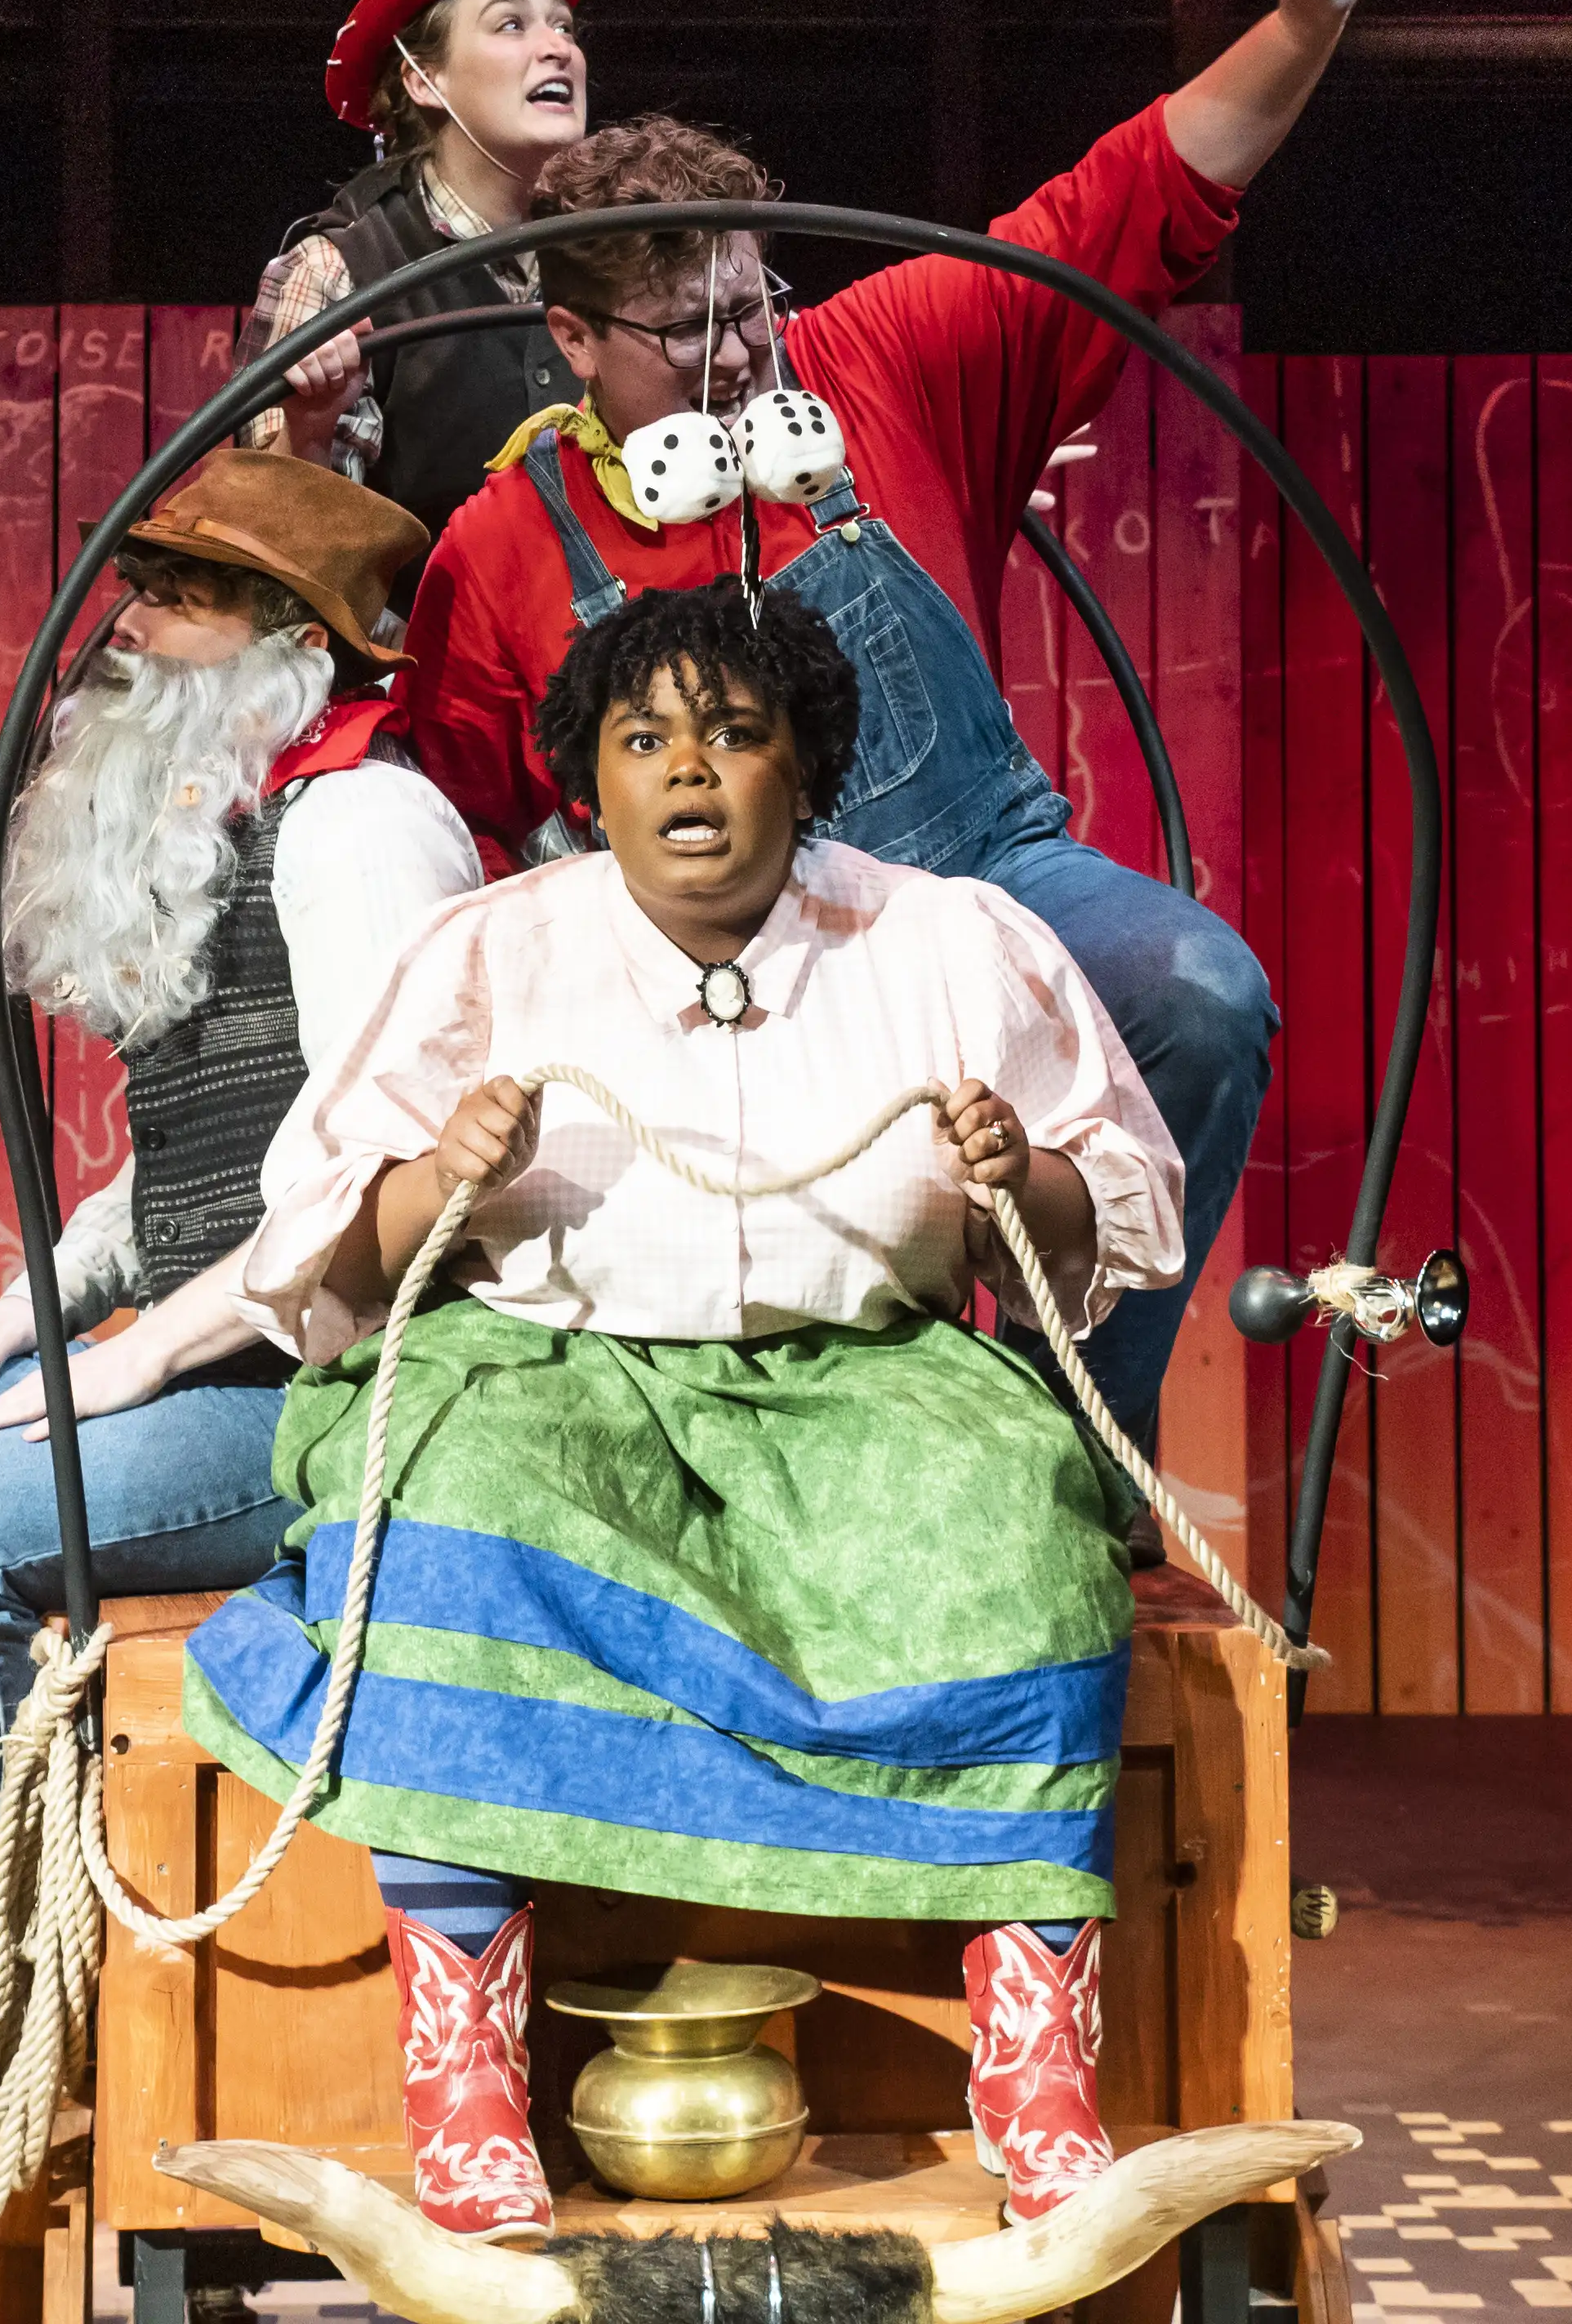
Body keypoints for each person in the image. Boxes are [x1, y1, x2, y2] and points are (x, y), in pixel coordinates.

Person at [184, 583, 1181, 2239]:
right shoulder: (490, 951)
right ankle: (464, 2073)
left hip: (868, 1378)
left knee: (1022, 1528)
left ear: (809, 766)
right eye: (644, 739)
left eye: (734, 732)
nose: (689, 770)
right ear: (592, 779)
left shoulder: (950, 941)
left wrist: (1030, 1180)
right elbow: (320, 1249)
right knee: (448, 1509)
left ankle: (1032, 2070)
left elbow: (1122, 1204)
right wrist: (444, 1178)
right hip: (562, 1377)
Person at [390, 0, 1356, 1464]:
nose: (740, 362)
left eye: (753, 309)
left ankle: (1067, 1445)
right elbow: (461, 825)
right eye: (687, 332)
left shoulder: (880, 360)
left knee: (1198, 992)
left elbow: (1125, 203)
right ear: (571, 337)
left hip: (979, 885)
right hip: (702, 972)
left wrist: (1307, 24)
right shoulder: (503, 548)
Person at [0, 449, 479, 2175]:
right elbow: (203, 1148)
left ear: (296, 643)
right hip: (180, 1343)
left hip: (313, 1386)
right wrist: (40, 1302)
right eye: (145, 586)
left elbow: (376, 1173)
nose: (133, 626)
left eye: (185, 598)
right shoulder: (221, 823)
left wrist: (138, 1353)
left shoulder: (362, 827)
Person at [239, 0, 606, 542]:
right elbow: (274, 552)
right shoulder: (338, 271)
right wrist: (310, 429)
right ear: (423, 80)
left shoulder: (620, 252)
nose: (558, 48)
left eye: (563, 26)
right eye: (512, 24)